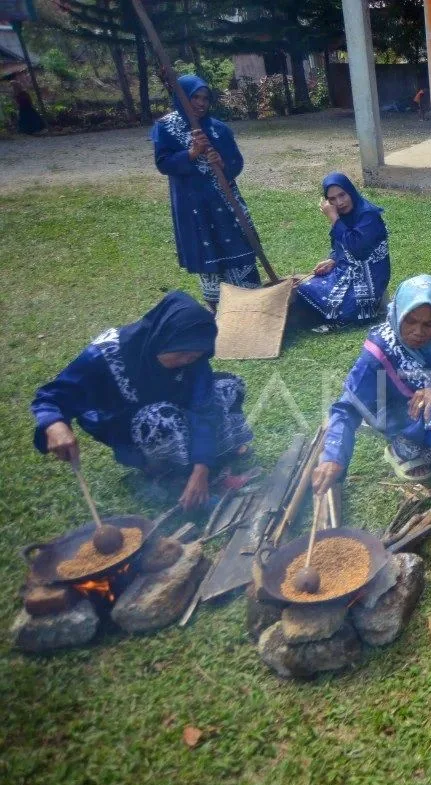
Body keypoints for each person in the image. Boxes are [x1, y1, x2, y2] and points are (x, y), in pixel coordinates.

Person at [31, 292, 252, 511]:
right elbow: (51, 397)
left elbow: (203, 408)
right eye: (182, 354)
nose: (187, 361)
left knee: (227, 387)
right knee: (160, 417)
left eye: (194, 356)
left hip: (174, 409)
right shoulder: (105, 354)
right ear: (162, 338)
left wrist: (201, 467)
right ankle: (168, 474)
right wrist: (55, 425)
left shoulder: (194, 358)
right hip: (129, 427)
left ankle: (211, 462)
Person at [312, 275, 431, 490]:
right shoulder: (379, 351)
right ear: (399, 313)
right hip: (399, 411)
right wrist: (334, 456)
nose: (418, 332)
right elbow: (347, 407)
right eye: (410, 321)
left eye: (428, 324)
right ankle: (402, 449)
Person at [150, 74, 260, 309]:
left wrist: (221, 162)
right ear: (182, 98)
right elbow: (164, 163)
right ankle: (220, 315)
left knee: (241, 252)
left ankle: (252, 310)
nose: (201, 103)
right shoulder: (165, 128)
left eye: (205, 98)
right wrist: (192, 153)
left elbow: (236, 163)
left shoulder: (218, 129)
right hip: (195, 208)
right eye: (195, 98)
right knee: (209, 260)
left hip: (226, 203)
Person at [296, 173, 390, 333]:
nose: (339, 202)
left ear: (351, 192)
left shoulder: (368, 215)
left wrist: (334, 219)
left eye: (342, 195)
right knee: (304, 289)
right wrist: (333, 260)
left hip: (370, 280)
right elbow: (340, 246)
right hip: (346, 270)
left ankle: (375, 303)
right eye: (332, 199)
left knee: (346, 310)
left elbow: (357, 249)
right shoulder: (344, 215)